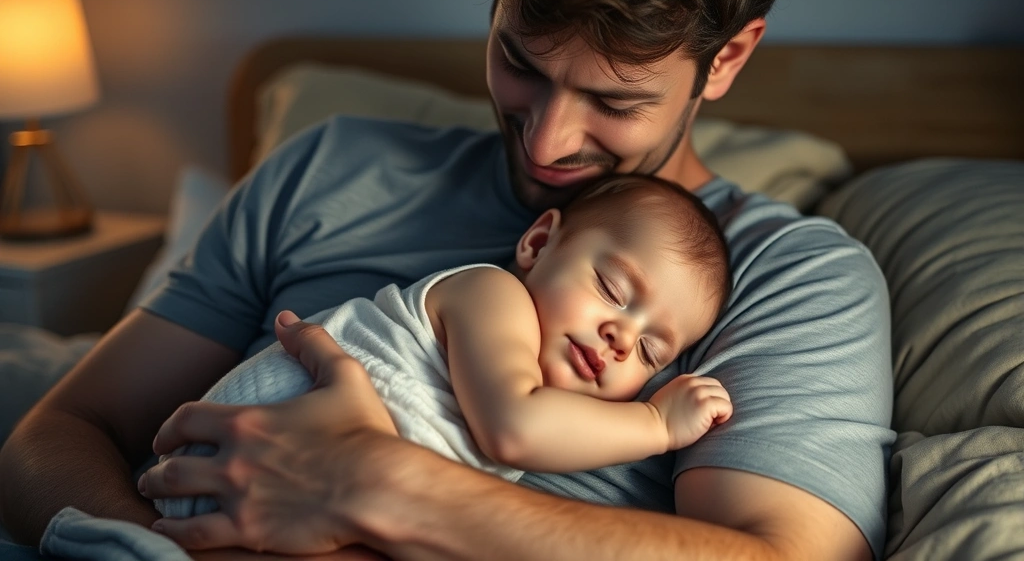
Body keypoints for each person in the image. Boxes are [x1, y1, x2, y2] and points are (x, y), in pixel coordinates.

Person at [0, 0, 896, 560]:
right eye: (520, 63)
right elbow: (57, 432)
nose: (545, 141)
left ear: (727, 58)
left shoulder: (787, 278)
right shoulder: (332, 166)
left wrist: (372, 481)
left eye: (613, 101)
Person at [156, 173, 734, 520]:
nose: (622, 337)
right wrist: (656, 423)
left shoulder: (550, 394)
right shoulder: (493, 292)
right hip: (251, 443)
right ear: (537, 243)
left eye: (650, 354)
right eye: (611, 289)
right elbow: (516, 430)